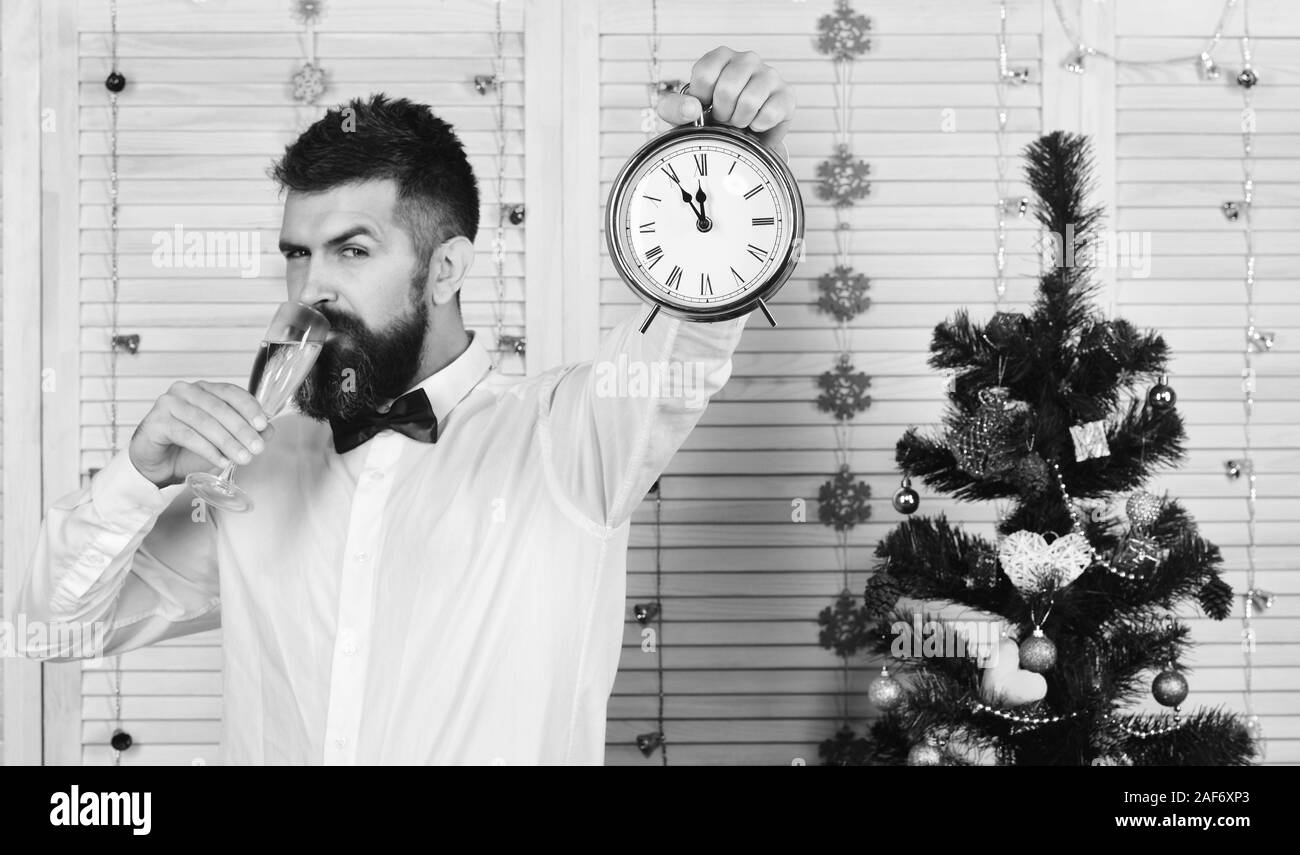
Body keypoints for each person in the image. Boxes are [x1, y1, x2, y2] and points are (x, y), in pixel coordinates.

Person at [16, 47, 797, 765]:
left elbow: (699, 312)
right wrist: (137, 473)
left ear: (446, 267)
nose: (311, 287)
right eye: (298, 254)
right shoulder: (256, 471)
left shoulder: (576, 432)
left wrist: (732, 159)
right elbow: (55, 629)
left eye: (352, 250)